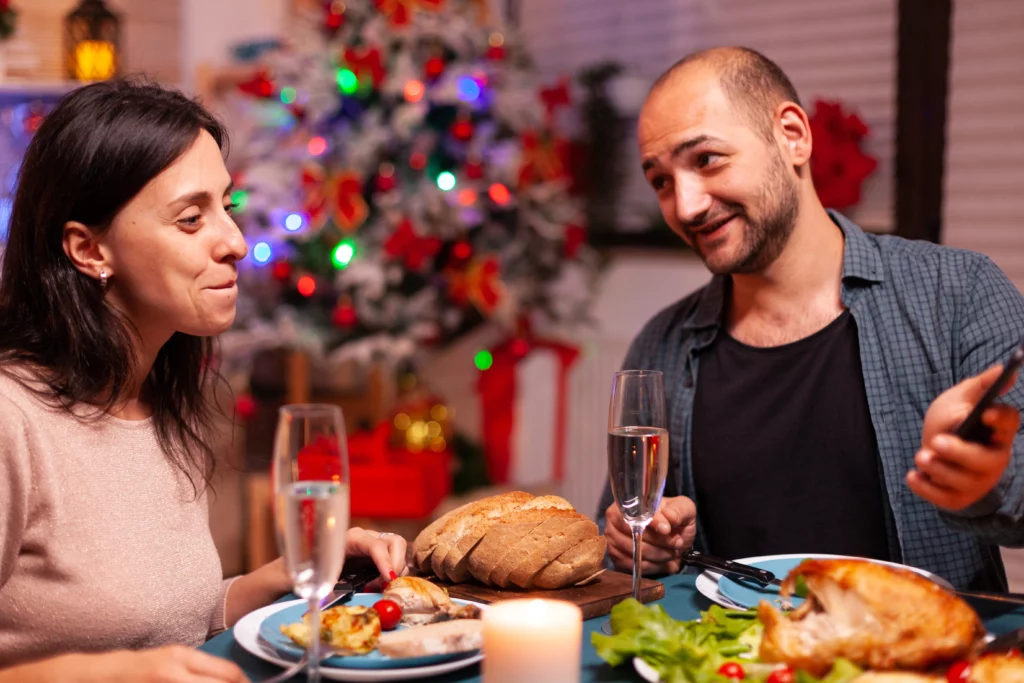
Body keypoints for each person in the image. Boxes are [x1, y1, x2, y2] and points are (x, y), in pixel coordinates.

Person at [0, 79, 407, 680]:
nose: (237, 243)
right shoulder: (13, 417)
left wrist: (288, 577)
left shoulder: (153, 397)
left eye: (227, 207)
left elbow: (172, 627)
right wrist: (114, 676)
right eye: (191, 219)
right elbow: (131, 659)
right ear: (89, 250)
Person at [597, 46, 1024, 592]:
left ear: (793, 135)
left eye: (706, 159)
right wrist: (644, 545)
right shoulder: (661, 344)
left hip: (914, 662)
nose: (686, 206)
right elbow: (619, 537)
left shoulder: (957, 292)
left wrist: (985, 481)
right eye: (661, 181)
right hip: (732, 665)